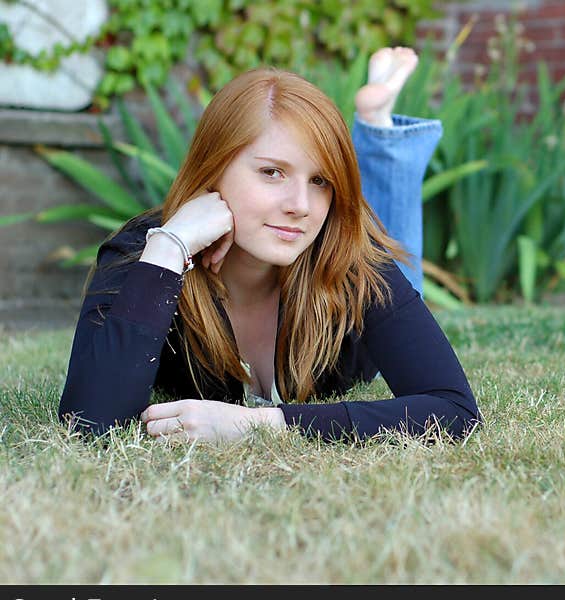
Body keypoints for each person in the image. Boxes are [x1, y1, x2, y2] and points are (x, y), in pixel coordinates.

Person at [58, 47, 481, 443]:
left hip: (356, 251)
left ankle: (379, 131)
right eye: (272, 172)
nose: (300, 206)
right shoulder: (145, 254)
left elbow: (454, 410)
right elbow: (90, 422)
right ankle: (375, 127)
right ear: (214, 166)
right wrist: (170, 248)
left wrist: (258, 424)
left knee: (394, 250)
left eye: (320, 181)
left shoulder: (346, 253)